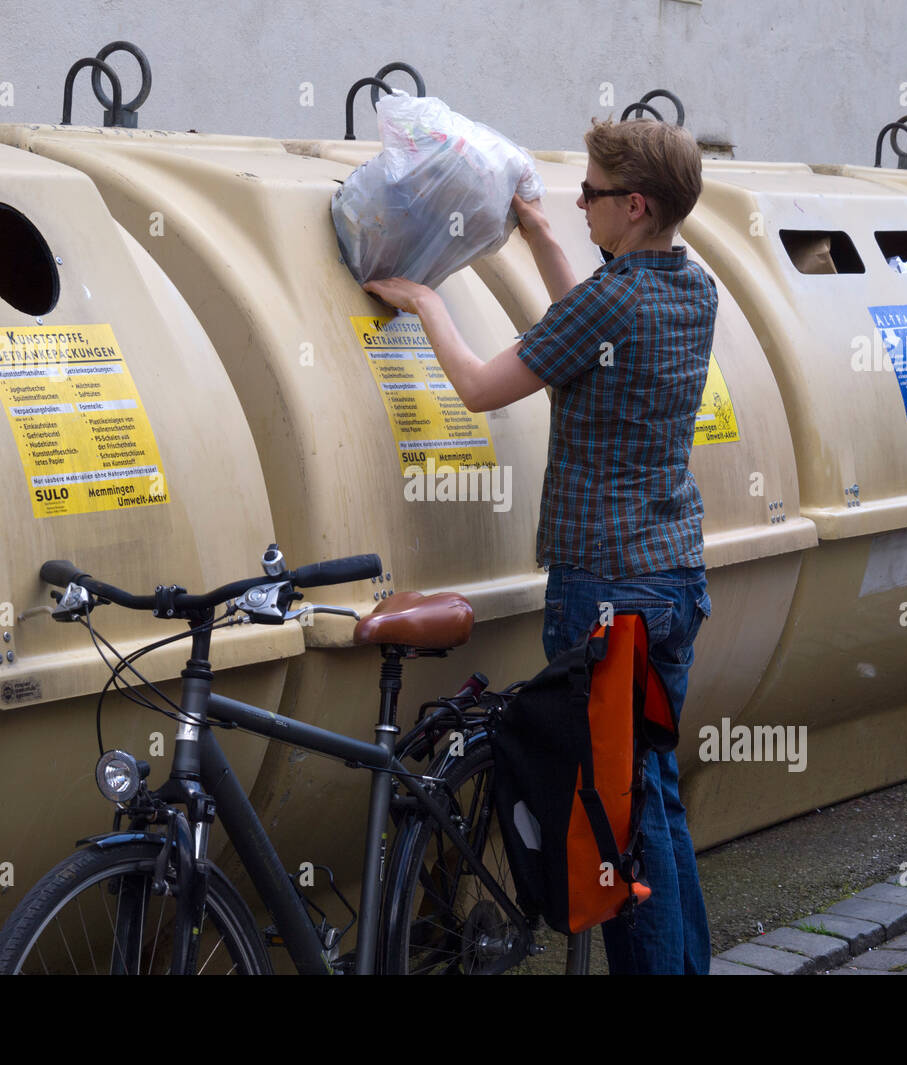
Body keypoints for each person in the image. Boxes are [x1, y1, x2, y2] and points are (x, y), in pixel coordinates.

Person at [364, 117, 717, 975]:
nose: (579, 201)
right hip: (671, 581)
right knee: (656, 799)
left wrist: (428, 303)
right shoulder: (690, 287)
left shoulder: (613, 298)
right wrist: (540, 235)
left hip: (606, 594)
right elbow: (590, 325)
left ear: (634, 205)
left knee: (618, 822)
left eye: (591, 192)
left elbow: (483, 386)